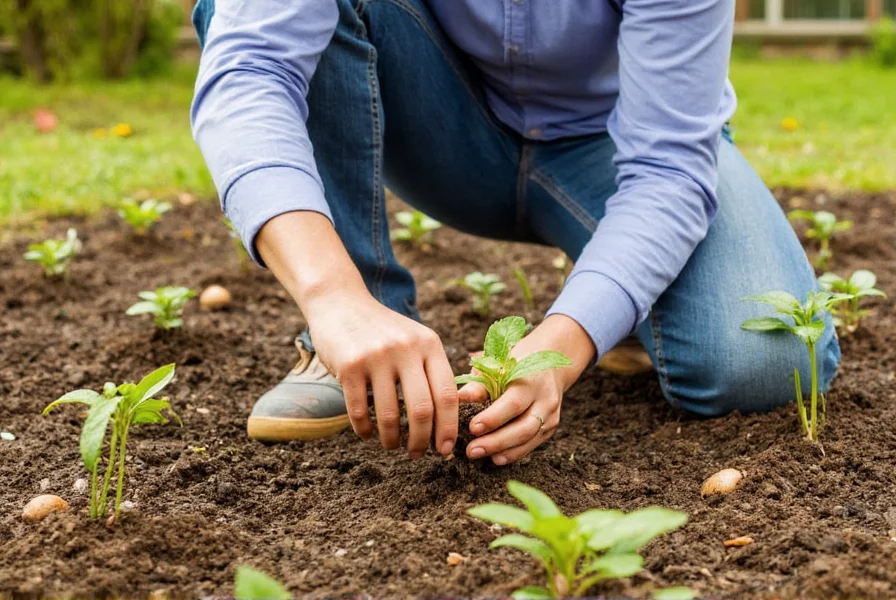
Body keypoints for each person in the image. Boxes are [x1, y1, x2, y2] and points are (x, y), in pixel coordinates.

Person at [190, 0, 840, 466]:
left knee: (762, 362)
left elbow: (666, 166)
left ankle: (624, 302)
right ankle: (358, 343)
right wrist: (334, 296)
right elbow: (251, 72)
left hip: (611, 149)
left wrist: (565, 343)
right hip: (442, 132)